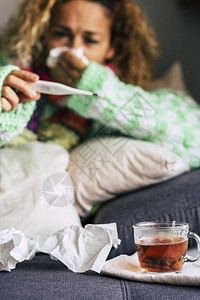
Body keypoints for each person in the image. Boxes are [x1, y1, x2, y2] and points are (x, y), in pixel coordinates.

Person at [0, 0, 200, 166]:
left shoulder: (123, 97)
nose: (73, 49)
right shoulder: (13, 72)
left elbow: (193, 136)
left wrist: (98, 89)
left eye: (91, 40)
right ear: (45, 37)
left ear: (111, 48)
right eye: (61, 34)